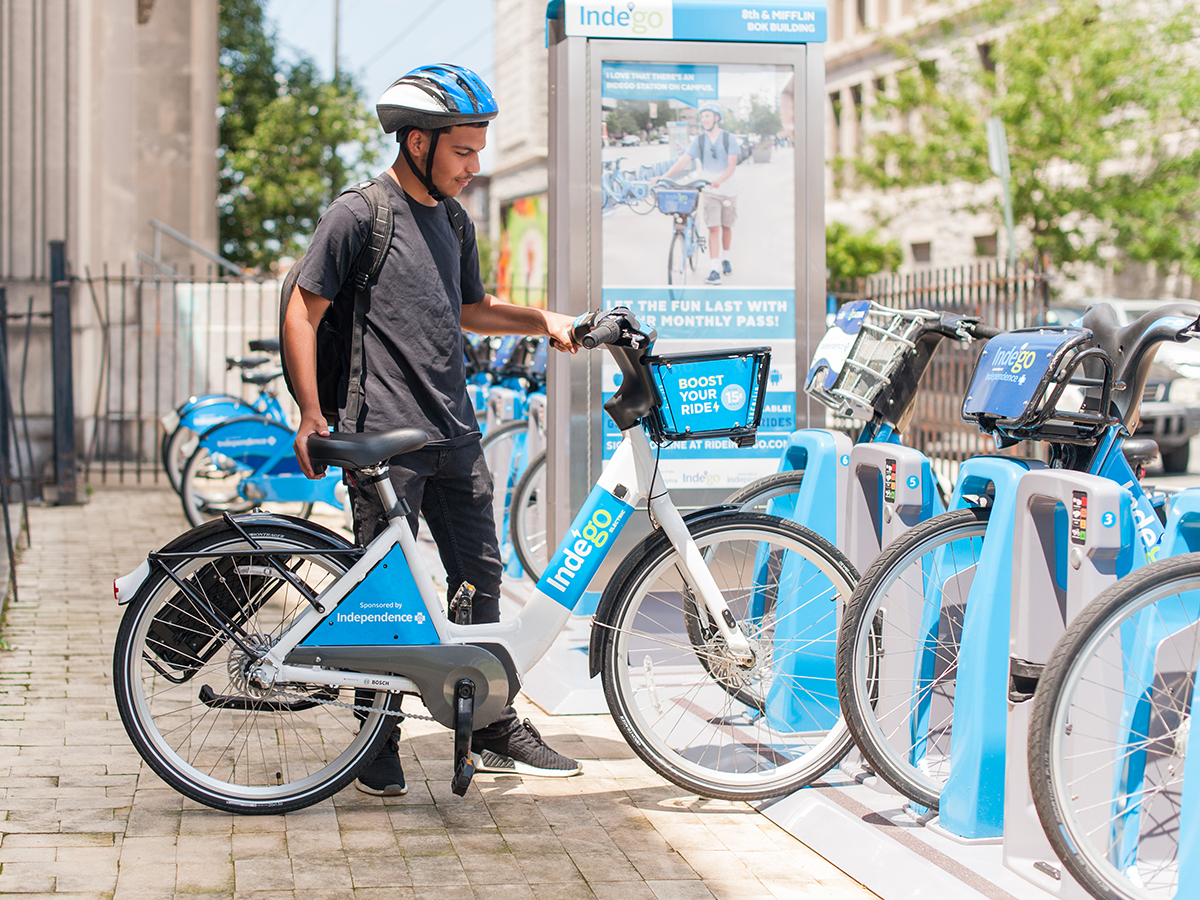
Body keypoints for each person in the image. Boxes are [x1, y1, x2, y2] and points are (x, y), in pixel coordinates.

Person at [283, 64, 582, 797]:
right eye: (463, 153)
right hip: (383, 438)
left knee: (480, 580)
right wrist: (311, 412)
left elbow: (470, 307)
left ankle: (487, 719)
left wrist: (541, 320)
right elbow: (304, 308)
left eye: (479, 152)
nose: (474, 168)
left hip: (454, 430)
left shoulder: (452, 219)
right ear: (417, 142)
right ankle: (374, 740)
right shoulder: (359, 214)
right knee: (385, 597)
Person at [656, 101, 740, 284]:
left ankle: (726, 258)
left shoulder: (729, 139)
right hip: (709, 191)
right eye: (702, 116)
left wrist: (720, 180)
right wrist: (664, 176)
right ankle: (714, 269)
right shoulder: (699, 141)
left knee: (726, 227)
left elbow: (732, 165)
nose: (704, 119)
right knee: (713, 228)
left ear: (716, 118)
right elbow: (683, 161)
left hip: (728, 191)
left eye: (708, 116)